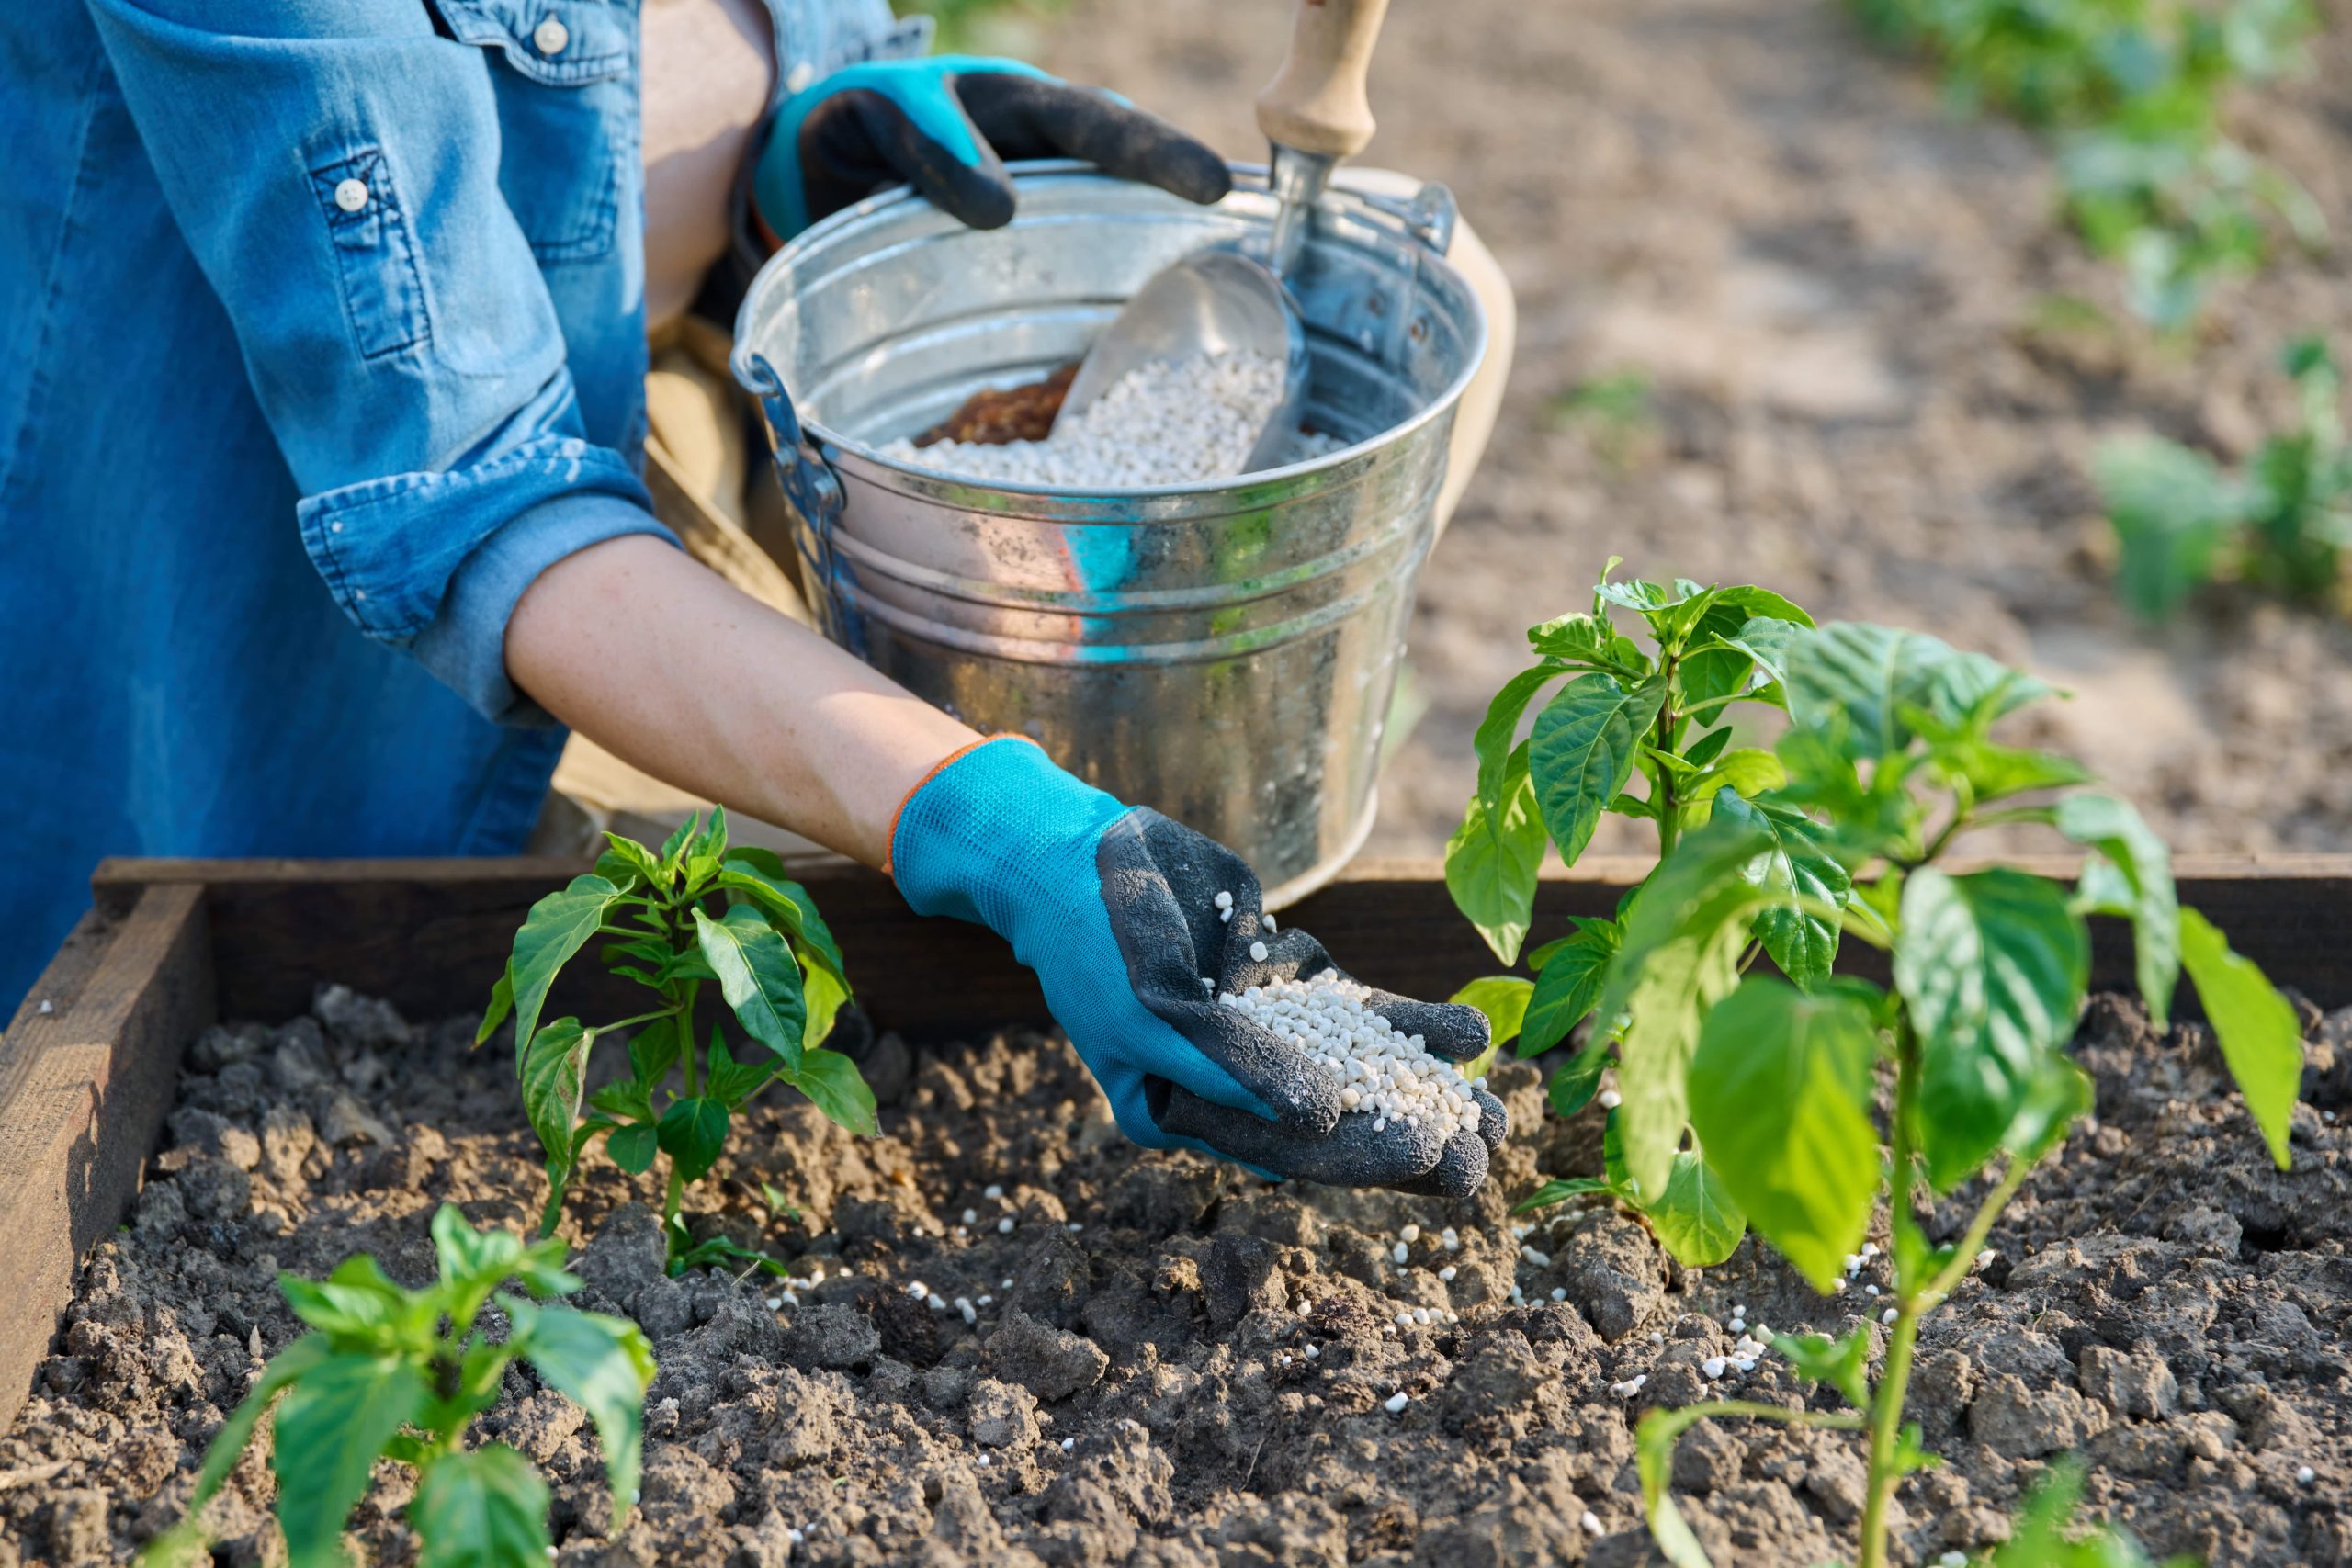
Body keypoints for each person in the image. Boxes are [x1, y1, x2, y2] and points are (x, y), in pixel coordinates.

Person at [2, 0, 1513, 1196]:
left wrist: (785, 156)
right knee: (340, 1057)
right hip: (289, 619)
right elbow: (475, 498)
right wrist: (998, 825)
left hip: (633, 437)